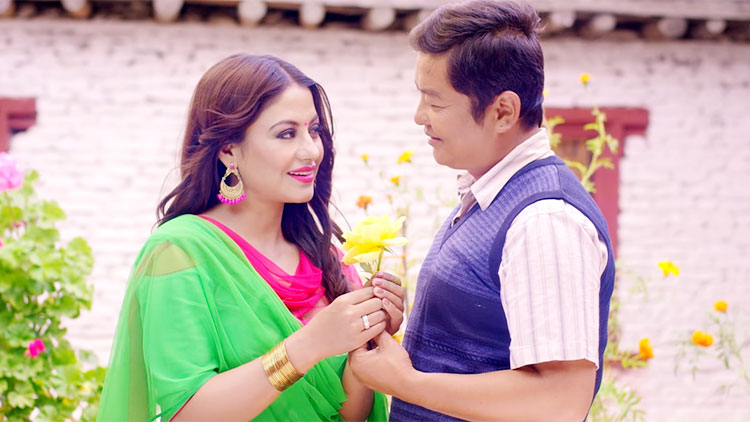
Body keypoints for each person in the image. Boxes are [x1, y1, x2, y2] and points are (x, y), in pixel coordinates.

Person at [97, 54, 405, 421]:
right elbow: (187, 413)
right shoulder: (180, 252)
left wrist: (367, 339)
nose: (311, 150)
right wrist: (308, 346)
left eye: (314, 130)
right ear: (229, 149)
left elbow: (349, 415)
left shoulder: (329, 260)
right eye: (286, 134)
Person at [349, 1, 615, 421]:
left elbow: (560, 403)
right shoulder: (489, 194)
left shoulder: (544, 221)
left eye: (435, 103)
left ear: (502, 111)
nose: (419, 117)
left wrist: (404, 382)